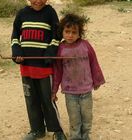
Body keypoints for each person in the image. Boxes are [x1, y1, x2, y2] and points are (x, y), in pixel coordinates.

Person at [11, 0, 67, 140]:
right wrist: (16, 51)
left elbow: (57, 35)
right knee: (31, 100)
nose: (38, 1)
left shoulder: (50, 12)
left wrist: (50, 51)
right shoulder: (22, 13)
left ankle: (57, 130)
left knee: (48, 99)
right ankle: (37, 129)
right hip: (26, 67)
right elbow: (15, 36)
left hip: (44, 67)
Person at [52, 13, 105, 140]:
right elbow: (57, 71)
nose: (70, 35)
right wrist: (54, 91)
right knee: (75, 119)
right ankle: (75, 137)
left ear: (79, 33)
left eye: (74, 32)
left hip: (86, 90)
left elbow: (94, 63)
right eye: (67, 31)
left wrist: (97, 80)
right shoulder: (60, 49)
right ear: (62, 32)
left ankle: (85, 136)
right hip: (70, 92)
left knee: (87, 117)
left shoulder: (85, 45)